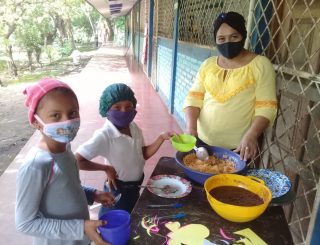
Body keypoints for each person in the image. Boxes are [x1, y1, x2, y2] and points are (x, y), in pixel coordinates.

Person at [15, 78, 115, 245]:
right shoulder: (36, 166)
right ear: (35, 122)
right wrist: (81, 227)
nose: (67, 121)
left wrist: (92, 194)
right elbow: (25, 223)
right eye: (56, 115)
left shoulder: (66, 148)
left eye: (73, 113)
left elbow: (67, 186)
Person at [183, 11, 277, 162]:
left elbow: (266, 107)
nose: (227, 42)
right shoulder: (208, 65)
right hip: (200, 142)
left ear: (243, 36)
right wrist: (191, 129)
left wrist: (252, 135)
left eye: (234, 37)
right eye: (221, 38)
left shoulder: (260, 65)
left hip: (238, 147)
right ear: (215, 40)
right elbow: (194, 98)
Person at [75, 83, 174, 216]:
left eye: (128, 107)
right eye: (117, 107)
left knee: (132, 217)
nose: (124, 111)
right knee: (114, 221)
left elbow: (142, 154)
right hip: (118, 189)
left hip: (136, 186)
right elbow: (77, 160)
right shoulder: (104, 135)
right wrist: (106, 168)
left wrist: (161, 138)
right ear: (106, 109)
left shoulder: (134, 128)